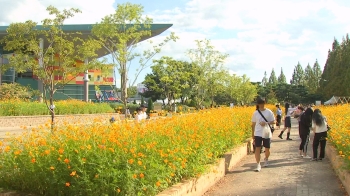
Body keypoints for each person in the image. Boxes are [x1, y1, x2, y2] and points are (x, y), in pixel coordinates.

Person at [251, 97, 275, 172]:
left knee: (267, 148)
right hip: (258, 133)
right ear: (258, 104)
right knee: (257, 148)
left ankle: (266, 159)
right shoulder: (255, 113)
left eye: (263, 103)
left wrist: (266, 123)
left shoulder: (269, 112)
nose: (261, 105)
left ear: (265, 103)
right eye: (260, 103)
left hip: (266, 132)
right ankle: (258, 164)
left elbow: (274, 122)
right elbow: (253, 124)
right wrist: (253, 134)